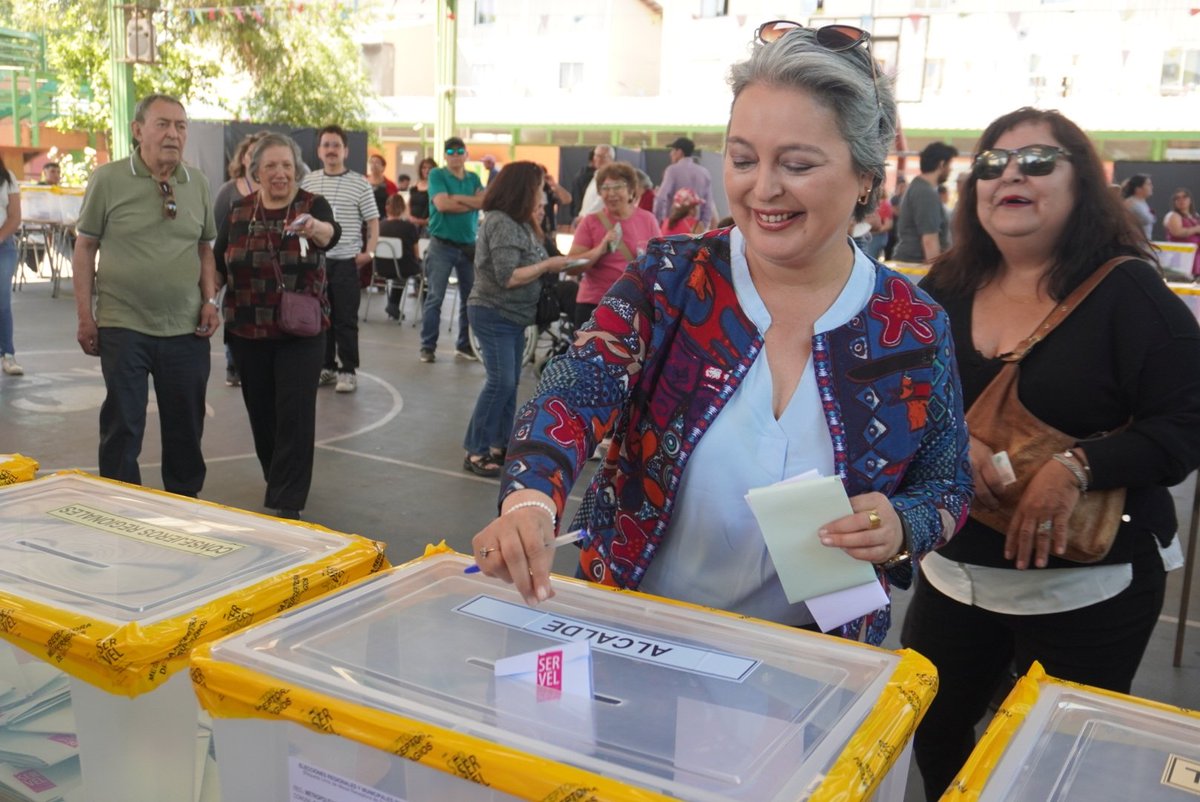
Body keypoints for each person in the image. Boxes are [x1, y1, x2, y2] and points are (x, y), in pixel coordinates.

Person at [469, 23, 972, 648]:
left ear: (865, 175)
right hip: (635, 634)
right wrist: (529, 503)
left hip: (809, 662)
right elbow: (571, 396)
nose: (762, 189)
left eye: (797, 164)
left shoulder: (914, 325)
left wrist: (902, 524)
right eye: (742, 159)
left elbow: (948, 485)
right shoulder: (670, 279)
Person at [900, 108, 1200, 801]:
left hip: (1090, 590)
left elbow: (1186, 421)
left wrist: (1078, 468)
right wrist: (954, 438)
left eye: (1037, 161)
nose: (1010, 174)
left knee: (1057, 768)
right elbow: (898, 396)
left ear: (1081, 185)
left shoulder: (1130, 293)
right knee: (935, 730)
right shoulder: (944, 285)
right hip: (955, 578)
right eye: (993, 164)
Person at [72, 93, 219, 496]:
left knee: (186, 427)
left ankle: (184, 506)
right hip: (123, 324)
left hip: (186, 329)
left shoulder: (199, 183)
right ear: (138, 130)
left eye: (181, 125)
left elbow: (205, 248)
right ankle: (121, 508)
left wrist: (210, 301)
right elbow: (85, 246)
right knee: (123, 423)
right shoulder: (108, 179)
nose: (173, 133)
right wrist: (86, 315)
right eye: (163, 124)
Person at [214, 133, 341, 519]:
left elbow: (329, 235)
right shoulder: (238, 211)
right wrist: (205, 303)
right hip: (247, 330)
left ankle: (287, 500)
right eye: (270, 166)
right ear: (255, 172)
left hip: (300, 331)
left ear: (297, 169)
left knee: (295, 413)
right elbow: (220, 264)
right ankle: (277, 477)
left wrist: (313, 228)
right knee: (262, 414)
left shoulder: (312, 205)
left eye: (286, 165)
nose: (280, 173)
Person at [462, 162, 572, 478]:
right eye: (539, 186)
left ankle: (499, 444)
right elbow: (507, 275)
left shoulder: (521, 222)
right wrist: (547, 266)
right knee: (501, 381)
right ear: (525, 188)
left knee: (508, 384)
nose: (543, 193)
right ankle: (475, 449)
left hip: (512, 315)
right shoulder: (501, 223)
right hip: (493, 311)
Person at [300, 124, 379, 394]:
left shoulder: (359, 183)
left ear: (345, 150)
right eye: (326, 145)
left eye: (336, 145)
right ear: (319, 151)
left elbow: (372, 221)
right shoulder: (308, 182)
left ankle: (348, 370)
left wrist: (369, 252)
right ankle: (327, 367)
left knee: (345, 318)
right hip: (316, 262)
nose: (331, 150)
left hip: (346, 261)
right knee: (321, 317)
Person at [564, 160, 658, 329]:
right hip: (595, 305)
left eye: (617, 187)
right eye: (605, 188)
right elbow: (571, 266)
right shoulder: (590, 222)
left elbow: (659, 262)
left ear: (631, 190)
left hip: (635, 305)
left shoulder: (647, 220)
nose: (611, 193)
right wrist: (600, 249)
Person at [419, 137, 483, 363]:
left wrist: (454, 197)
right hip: (441, 245)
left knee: (470, 299)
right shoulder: (437, 175)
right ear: (445, 155)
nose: (455, 154)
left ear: (466, 154)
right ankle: (427, 346)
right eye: (450, 151)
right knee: (435, 297)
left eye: (459, 151)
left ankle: (464, 345)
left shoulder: (474, 177)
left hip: (468, 246)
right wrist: (469, 202)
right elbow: (441, 205)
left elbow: (483, 202)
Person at [213, 130, 269, 387]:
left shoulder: (277, 187)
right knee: (233, 312)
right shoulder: (228, 191)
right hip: (235, 266)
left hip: (268, 269)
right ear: (244, 158)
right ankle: (233, 363)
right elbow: (214, 229)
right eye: (251, 153)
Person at [893, 142, 957, 263]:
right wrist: (936, 275)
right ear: (942, 164)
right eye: (950, 165)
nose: (951, 170)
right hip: (917, 266)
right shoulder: (926, 193)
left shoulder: (918, 187)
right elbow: (929, 239)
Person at [653, 136, 717, 228]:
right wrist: (703, 226)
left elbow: (661, 198)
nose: (670, 154)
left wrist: (659, 223)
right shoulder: (704, 173)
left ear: (679, 152)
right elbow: (708, 205)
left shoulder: (672, 170)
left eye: (673, 150)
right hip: (695, 228)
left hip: (673, 227)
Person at [376, 193, 421, 320]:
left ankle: (393, 305)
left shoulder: (379, 226)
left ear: (386, 208)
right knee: (422, 271)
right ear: (403, 208)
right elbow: (416, 254)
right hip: (402, 269)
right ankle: (426, 310)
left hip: (380, 268)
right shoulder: (409, 227)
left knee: (399, 268)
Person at [0, 155, 21, 376]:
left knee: (2, 301)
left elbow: (15, 217)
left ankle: (8, 354)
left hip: (3, 246)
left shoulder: (8, 179)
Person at [1163, 187, 1200, 278]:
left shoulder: (1195, 215)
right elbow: (1177, 232)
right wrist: (1196, 229)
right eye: (1177, 198)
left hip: (1196, 255)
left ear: (1190, 200)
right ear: (1174, 202)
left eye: (1184, 197)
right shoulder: (1173, 215)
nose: (1181, 200)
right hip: (1181, 258)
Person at [576, 144, 615, 219]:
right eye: (596, 156)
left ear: (611, 159)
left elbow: (602, 201)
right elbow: (588, 200)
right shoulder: (596, 174)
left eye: (602, 157)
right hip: (587, 219)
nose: (598, 159)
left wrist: (585, 217)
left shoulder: (611, 177)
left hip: (599, 220)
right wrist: (581, 214)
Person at [1121, 173, 1155, 239]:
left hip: (1143, 243)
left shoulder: (1142, 202)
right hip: (1133, 244)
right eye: (1148, 184)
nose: (1152, 187)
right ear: (1138, 188)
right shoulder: (1131, 203)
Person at [407, 158, 437, 232]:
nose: (427, 170)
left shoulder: (436, 187)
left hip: (428, 226)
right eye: (424, 167)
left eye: (430, 168)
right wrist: (410, 217)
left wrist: (423, 221)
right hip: (412, 224)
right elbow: (409, 204)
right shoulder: (414, 187)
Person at [367, 153, 397, 218]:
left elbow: (394, 205)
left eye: (377, 162)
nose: (374, 165)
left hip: (383, 218)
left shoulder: (390, 185)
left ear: (383, 167)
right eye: (371, 162)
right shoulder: (363, 182)